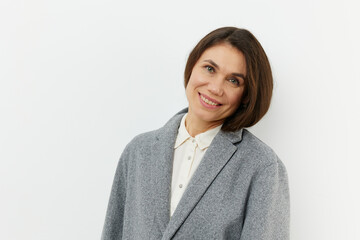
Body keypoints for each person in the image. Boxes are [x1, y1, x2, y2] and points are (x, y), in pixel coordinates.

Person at [101, 27, 290, 240]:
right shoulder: (138, 151)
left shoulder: (261, 166)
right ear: (192, 67)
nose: (215, 88)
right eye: (209, 69)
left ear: (246, 96)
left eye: (233, 80)